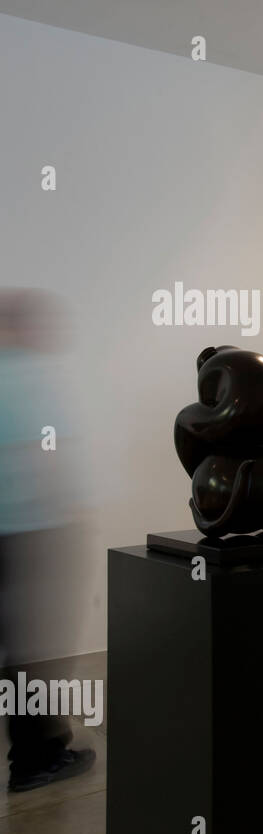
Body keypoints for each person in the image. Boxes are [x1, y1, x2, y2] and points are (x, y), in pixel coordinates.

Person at [0, 289, 95, 792]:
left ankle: (37, 748)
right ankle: (38, 759)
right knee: (37, 654)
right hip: (36, 535)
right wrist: (77, 516)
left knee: (21, 652)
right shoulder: (28, 379)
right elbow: (47, 456)